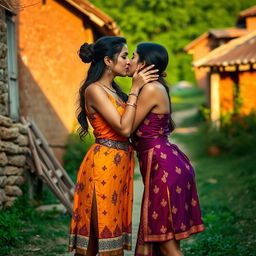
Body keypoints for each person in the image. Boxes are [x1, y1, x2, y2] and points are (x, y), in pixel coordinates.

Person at [68, 36, 159, 256]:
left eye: (129, 56)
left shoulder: (115, 91)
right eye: (124, 56)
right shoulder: (94, 90)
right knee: (96, 236)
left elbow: (135, 122)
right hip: (102, 167)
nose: (128, 61)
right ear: (108, 61)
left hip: (119, 167)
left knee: (108, 233)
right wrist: (136, 89)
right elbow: (124, 129)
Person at [127, 43, 204, 256]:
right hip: (164, 165)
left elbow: (126, 128)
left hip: (163, 169)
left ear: (143, 64)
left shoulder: (150, 89)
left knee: (166, 244)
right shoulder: (153, 87)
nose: (129, 61)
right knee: (162, 239)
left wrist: (133, 89)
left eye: (133, 56)